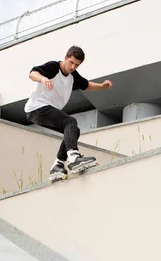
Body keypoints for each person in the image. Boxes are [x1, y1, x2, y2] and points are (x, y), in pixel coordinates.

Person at [25, 45, 113, 183]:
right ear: (66, 58)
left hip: (43, 110)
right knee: (70, 122)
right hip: (37, 107)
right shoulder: (54, 67)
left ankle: (58, 165)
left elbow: (86, 85)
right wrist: (42, 79)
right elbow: (32, 73)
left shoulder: (73, 76)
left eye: (76, 65)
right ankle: (73, 158)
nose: (72, 67)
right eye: (71, 62)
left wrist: (102, 86)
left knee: (73, 131)